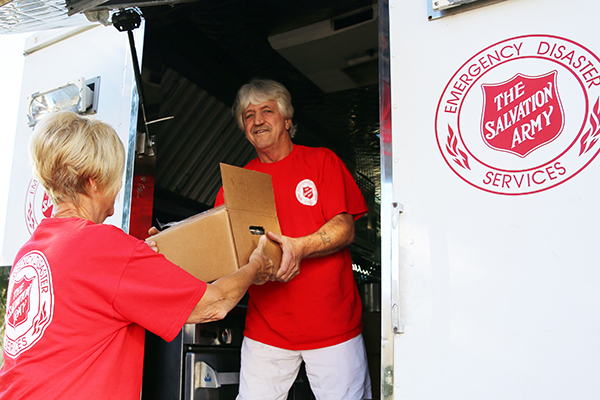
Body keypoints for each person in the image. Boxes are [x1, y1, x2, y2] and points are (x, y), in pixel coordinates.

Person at [0, 111, 274, 400]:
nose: (119, 188)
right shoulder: (103, 246)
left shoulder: (30, 250)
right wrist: (254, 267)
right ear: (94, 182)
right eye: (115, 176)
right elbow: (214, 304)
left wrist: (141, 259)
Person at [214, 78, 372, 400]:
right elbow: (221, 247)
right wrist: (174, 241)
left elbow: (344, 227)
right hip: (266, 331)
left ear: (287, 120)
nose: (257, 120)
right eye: (248, 115)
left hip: (333, 327)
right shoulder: (238, 183)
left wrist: (300, 247)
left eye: (267, 111)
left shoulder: (322, 161)